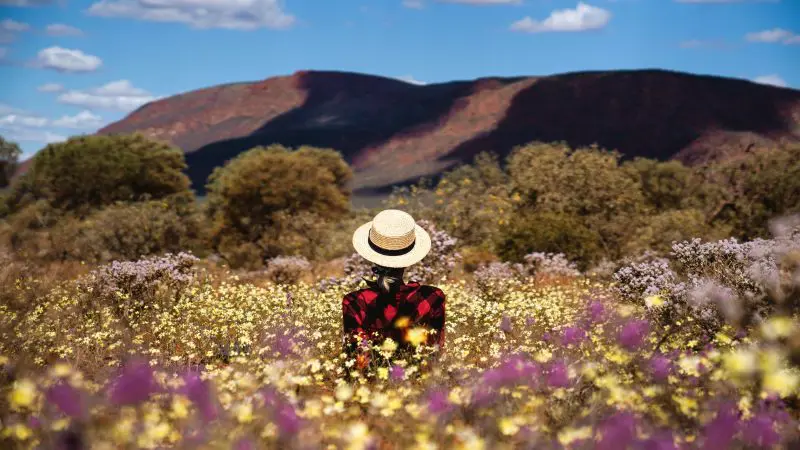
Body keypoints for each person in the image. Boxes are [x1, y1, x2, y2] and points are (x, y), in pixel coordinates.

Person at [342, 209, 446, 371]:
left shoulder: (356, 301)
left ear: (373, 258)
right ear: (407, 260)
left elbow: (356, 357)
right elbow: (435, 352)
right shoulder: (432, 297)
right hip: (418, 384)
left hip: (371, 386)